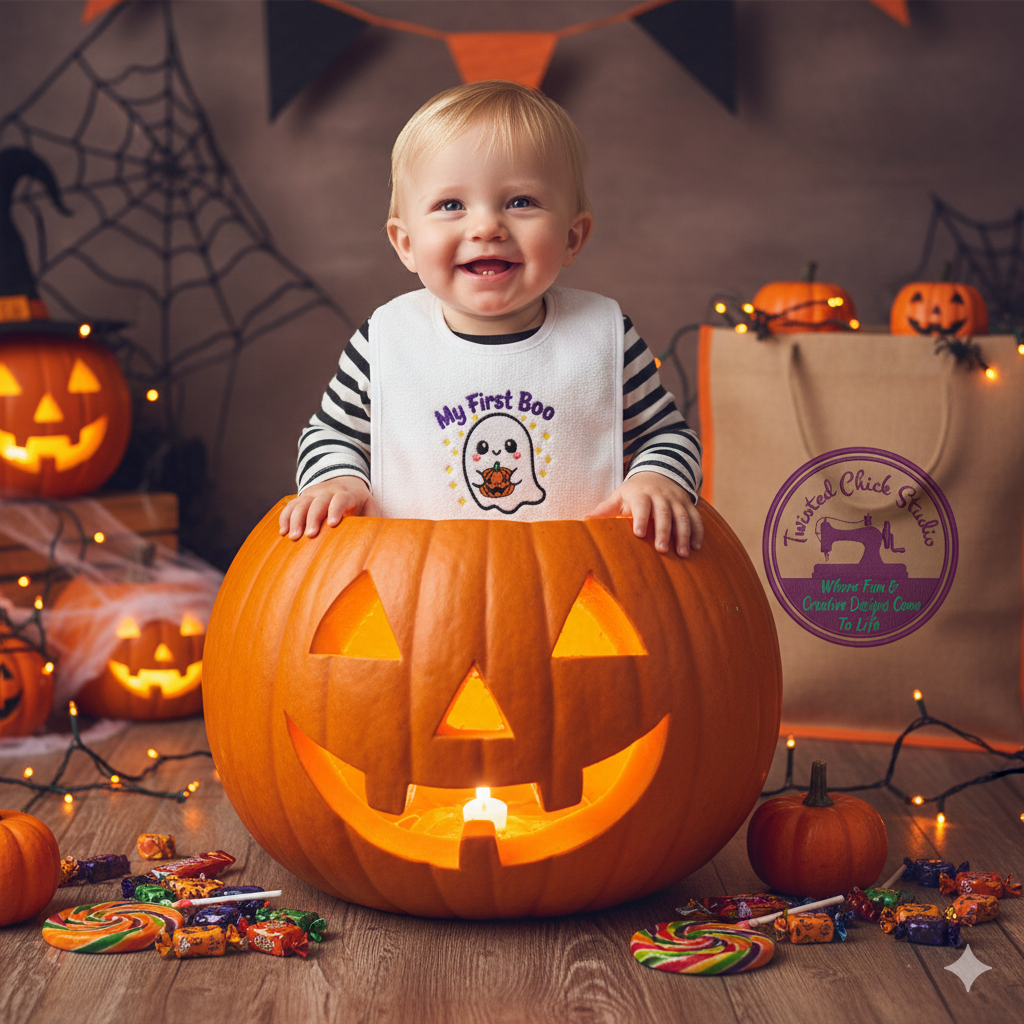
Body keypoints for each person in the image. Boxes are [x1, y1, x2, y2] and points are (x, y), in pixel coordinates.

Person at [280, 81, 703, 555]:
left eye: (520, 202)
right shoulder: (385, 342)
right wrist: (337, 479)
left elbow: (667, 435)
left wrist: (657, 479)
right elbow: (331, 435)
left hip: (581, 567)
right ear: (406, 244)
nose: (486, 227)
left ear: (572, 237)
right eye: (451, 205)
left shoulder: (605, 336)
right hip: (414, 573)